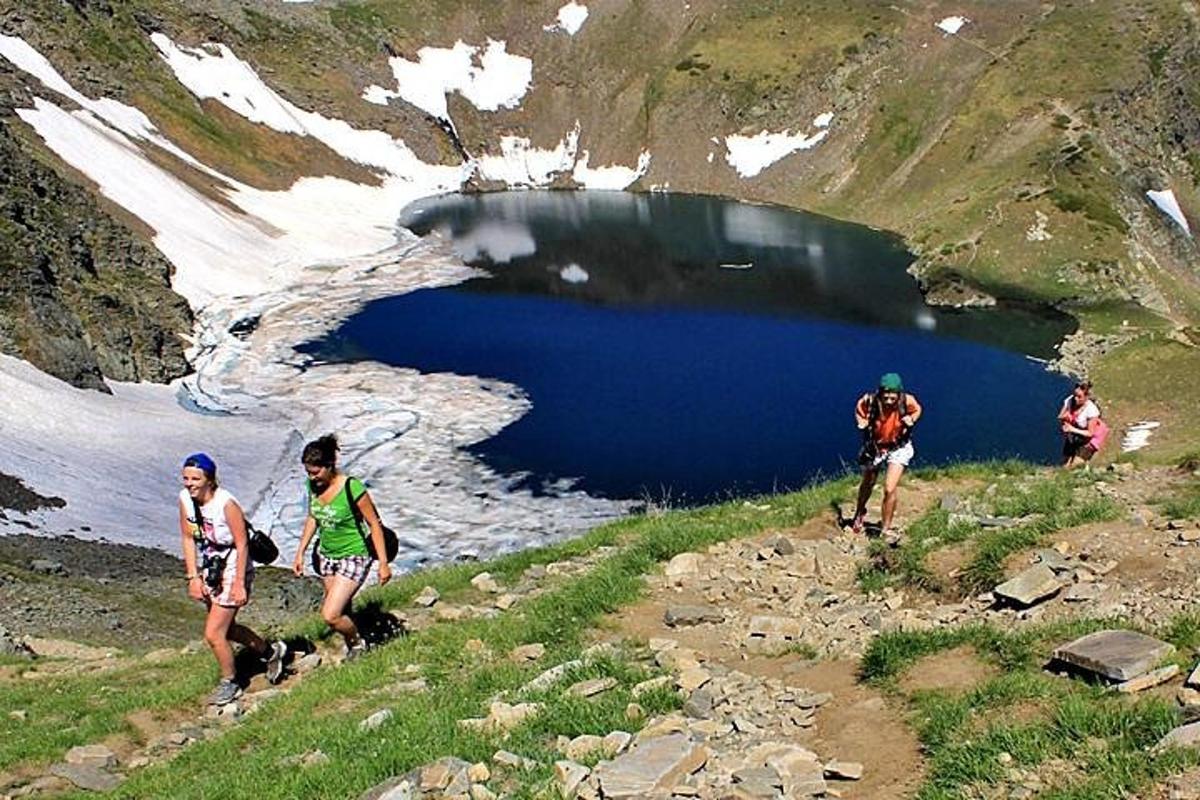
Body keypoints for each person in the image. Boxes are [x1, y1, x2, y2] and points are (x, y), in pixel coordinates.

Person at [178, 453, 287, 705]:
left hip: (234, 565)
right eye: (186, 478)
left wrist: (239, 582)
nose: (189, 484)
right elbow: (187, 537)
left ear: (210, 480)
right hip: (211, 564)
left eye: (195, 478)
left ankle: (230, 681)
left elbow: (241, 543)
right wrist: (193, 576)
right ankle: (270, 652)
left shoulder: (226, 504)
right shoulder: (186, 500)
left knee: (214, 633)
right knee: (226, 629)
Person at [292, 435, 391, 660]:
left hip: (354, 554)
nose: (311, 477)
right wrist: (301, 551)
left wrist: (383, 563)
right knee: (342, 607)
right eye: (308, 472)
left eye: (316, 472)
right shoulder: (313, 486)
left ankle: (359, 644)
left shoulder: (351, 487)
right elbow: (313, 517)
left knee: (330, 614)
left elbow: (374, 524)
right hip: (327, 555)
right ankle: (353, 644)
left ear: (329, 466)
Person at [850, 373, 923, 540]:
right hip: (875, 447)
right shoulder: (870, 401)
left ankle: (885, 529)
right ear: (880, 392)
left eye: (893, 395)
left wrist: (911, 418)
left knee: (889, 488)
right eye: (886, 395)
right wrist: (862, 422)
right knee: (868, 482)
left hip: (899, 447)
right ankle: (860, 511)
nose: (889, 399)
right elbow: (859, 411)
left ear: (899, 393)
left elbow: (918, 409)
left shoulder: (907, 401)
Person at [1058, 380, 1102, 469]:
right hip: (1073, 436)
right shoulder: (1070, 401)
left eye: (1079, 397)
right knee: (1065, 465)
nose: (1075, 399)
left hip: (1088, 440)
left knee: (1074, 466)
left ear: (1087, 397)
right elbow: (1060, 416)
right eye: (1075, 395)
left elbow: (1090, 433)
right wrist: (1064, 420)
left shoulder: (1091, 411)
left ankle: (1084, 464)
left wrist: (1072, 429)